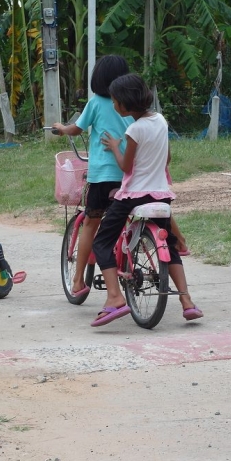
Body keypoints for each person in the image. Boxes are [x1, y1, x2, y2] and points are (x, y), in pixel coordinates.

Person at [90, 73, 202, 327]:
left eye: (116, 101)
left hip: (134, 195)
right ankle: (187, 302)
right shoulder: (160, 121)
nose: (114, 105)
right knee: (170, 247)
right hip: (160, 194)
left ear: (126, 103)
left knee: (102, 243)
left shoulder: (134, 129)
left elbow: (127, 168)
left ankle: (115, 298)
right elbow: (167, 160)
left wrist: (117, 147)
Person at [51, 55, 133, 298]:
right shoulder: (132, 104)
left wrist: (63, 128)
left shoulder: (96, 103)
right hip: (128, 172)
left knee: (91, 223)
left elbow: (76, 129)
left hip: (102, 176)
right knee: (124, 218)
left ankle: (77, 281)